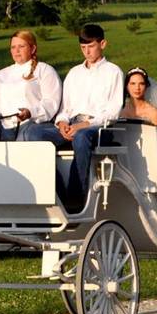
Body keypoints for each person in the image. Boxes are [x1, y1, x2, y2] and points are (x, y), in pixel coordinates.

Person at [23, 24, 124, 207]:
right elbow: (64, 109)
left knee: (82, 137)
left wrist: (83, 125)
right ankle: (57, 191)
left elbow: (113, 111)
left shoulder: (113, 72)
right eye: (83, 47)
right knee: (33, 134)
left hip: (99, 129)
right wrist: (62, 123)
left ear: (103, 44)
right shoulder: (74, 74)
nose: (87, 51)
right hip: (72, 125)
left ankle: (76, 199)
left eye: (91, 46)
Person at [0, 30, 61, 141]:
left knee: (24, 138)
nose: (16, 51)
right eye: (13, 47)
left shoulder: (45, 70)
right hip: (2, 126)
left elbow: (51, 103)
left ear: (33, 49)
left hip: (32, 124)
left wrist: (30, 112)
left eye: (21, 46)